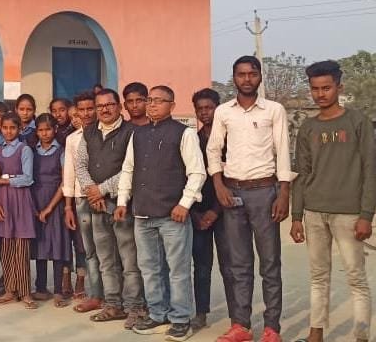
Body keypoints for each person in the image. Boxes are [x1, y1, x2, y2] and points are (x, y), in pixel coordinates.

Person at [207, 56, 292, 342]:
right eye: (241, 74)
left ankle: (272, 328)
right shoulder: (223, 112)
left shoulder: (274, 110)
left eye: (252, 74)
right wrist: (218, 185)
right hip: (232, 193)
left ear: (259, 77)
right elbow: (213, 150)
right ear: (234, 77)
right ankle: (241, 325)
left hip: (265, 193)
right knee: (239, 264)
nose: (247, 79)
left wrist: (283, 193)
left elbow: (283, 150)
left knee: (270, 263)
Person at [291, 60, 374, 342]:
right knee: (318, 276)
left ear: (339, 87)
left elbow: (370, 169)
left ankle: (361, 335)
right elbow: (301, 174)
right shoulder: (308, 127)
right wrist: (297, 216)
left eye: (326, 88)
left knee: (355, 277)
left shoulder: (357, 122)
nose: (320, 94)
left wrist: (366, 215)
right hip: (314, 212)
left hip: (349, 214)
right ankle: (315, 335)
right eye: (315, 89)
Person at [114, 86, 206, 342]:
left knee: (177, 270)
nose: (152, 104)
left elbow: (197, 172)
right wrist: (122, 201)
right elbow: (128, 169)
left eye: (158, 100)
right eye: (150, 100)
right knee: (150, 269)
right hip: (142, 214)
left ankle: (181, 319)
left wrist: (184, 204)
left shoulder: (184, 133)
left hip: (172, 215)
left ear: (172, 105)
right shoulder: (138, 134)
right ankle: (158, 314)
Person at [76, 89, 146, 328]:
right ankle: (113, 305)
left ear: (119, 107)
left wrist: (102, 190)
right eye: (100, 106)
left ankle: (135, 307)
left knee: (129, 261)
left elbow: (132, 168)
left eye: (109, 105)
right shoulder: (89, 132)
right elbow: (80, 165)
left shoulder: (132, 132)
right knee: (106, 260)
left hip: (122, 205)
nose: (104, 109)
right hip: (96, 206)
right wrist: (92, 192)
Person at [0, 112, 37, 309]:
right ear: (0, 129)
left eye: (12, 128)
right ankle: (10, 290)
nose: (8, 131)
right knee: (7, 247)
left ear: (19, 129)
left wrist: (3, 180)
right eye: (5, 128)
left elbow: (27, 178)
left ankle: (25, 292)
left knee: (21, 247)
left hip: (21, 201)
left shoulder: (24, 150)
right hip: (4, 200)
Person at [64, 93, 103, 315]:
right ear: (76, 112)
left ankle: (116, 297)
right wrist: (68, 206)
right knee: (90, 250)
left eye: (91, 108)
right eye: (82, 110)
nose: (87, 113)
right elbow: (69, 173)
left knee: (112, 251)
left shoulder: (108, 133)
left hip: (106, 197)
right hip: (81, 199)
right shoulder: (73, 139)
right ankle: (96, 295)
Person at [190, 88, 225, 331]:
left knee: (231, 266)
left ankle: (238, 317)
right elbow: (185, 177)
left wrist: (216, 211)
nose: (204, 112)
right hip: (198, 214)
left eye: (209, 107)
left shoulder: (229, 139)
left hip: (225, 211)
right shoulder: (191, 140)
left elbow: (232, 178)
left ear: (218, 108)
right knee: (201, 267)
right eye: (200, 108)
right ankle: (201, 313)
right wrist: (195, 213)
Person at [31, 114, 72, 308]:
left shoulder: (62, 151)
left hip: (56, 202)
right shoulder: (32, 151)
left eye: (47, 129)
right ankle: (40, 288)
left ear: (55, 129)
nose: (44, 133)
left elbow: (65, 182)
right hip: (36, 201)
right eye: (40, 130)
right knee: (39, 245)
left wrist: (49, 207)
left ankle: (58, 291)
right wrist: (34, 206)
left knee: (57, 245)